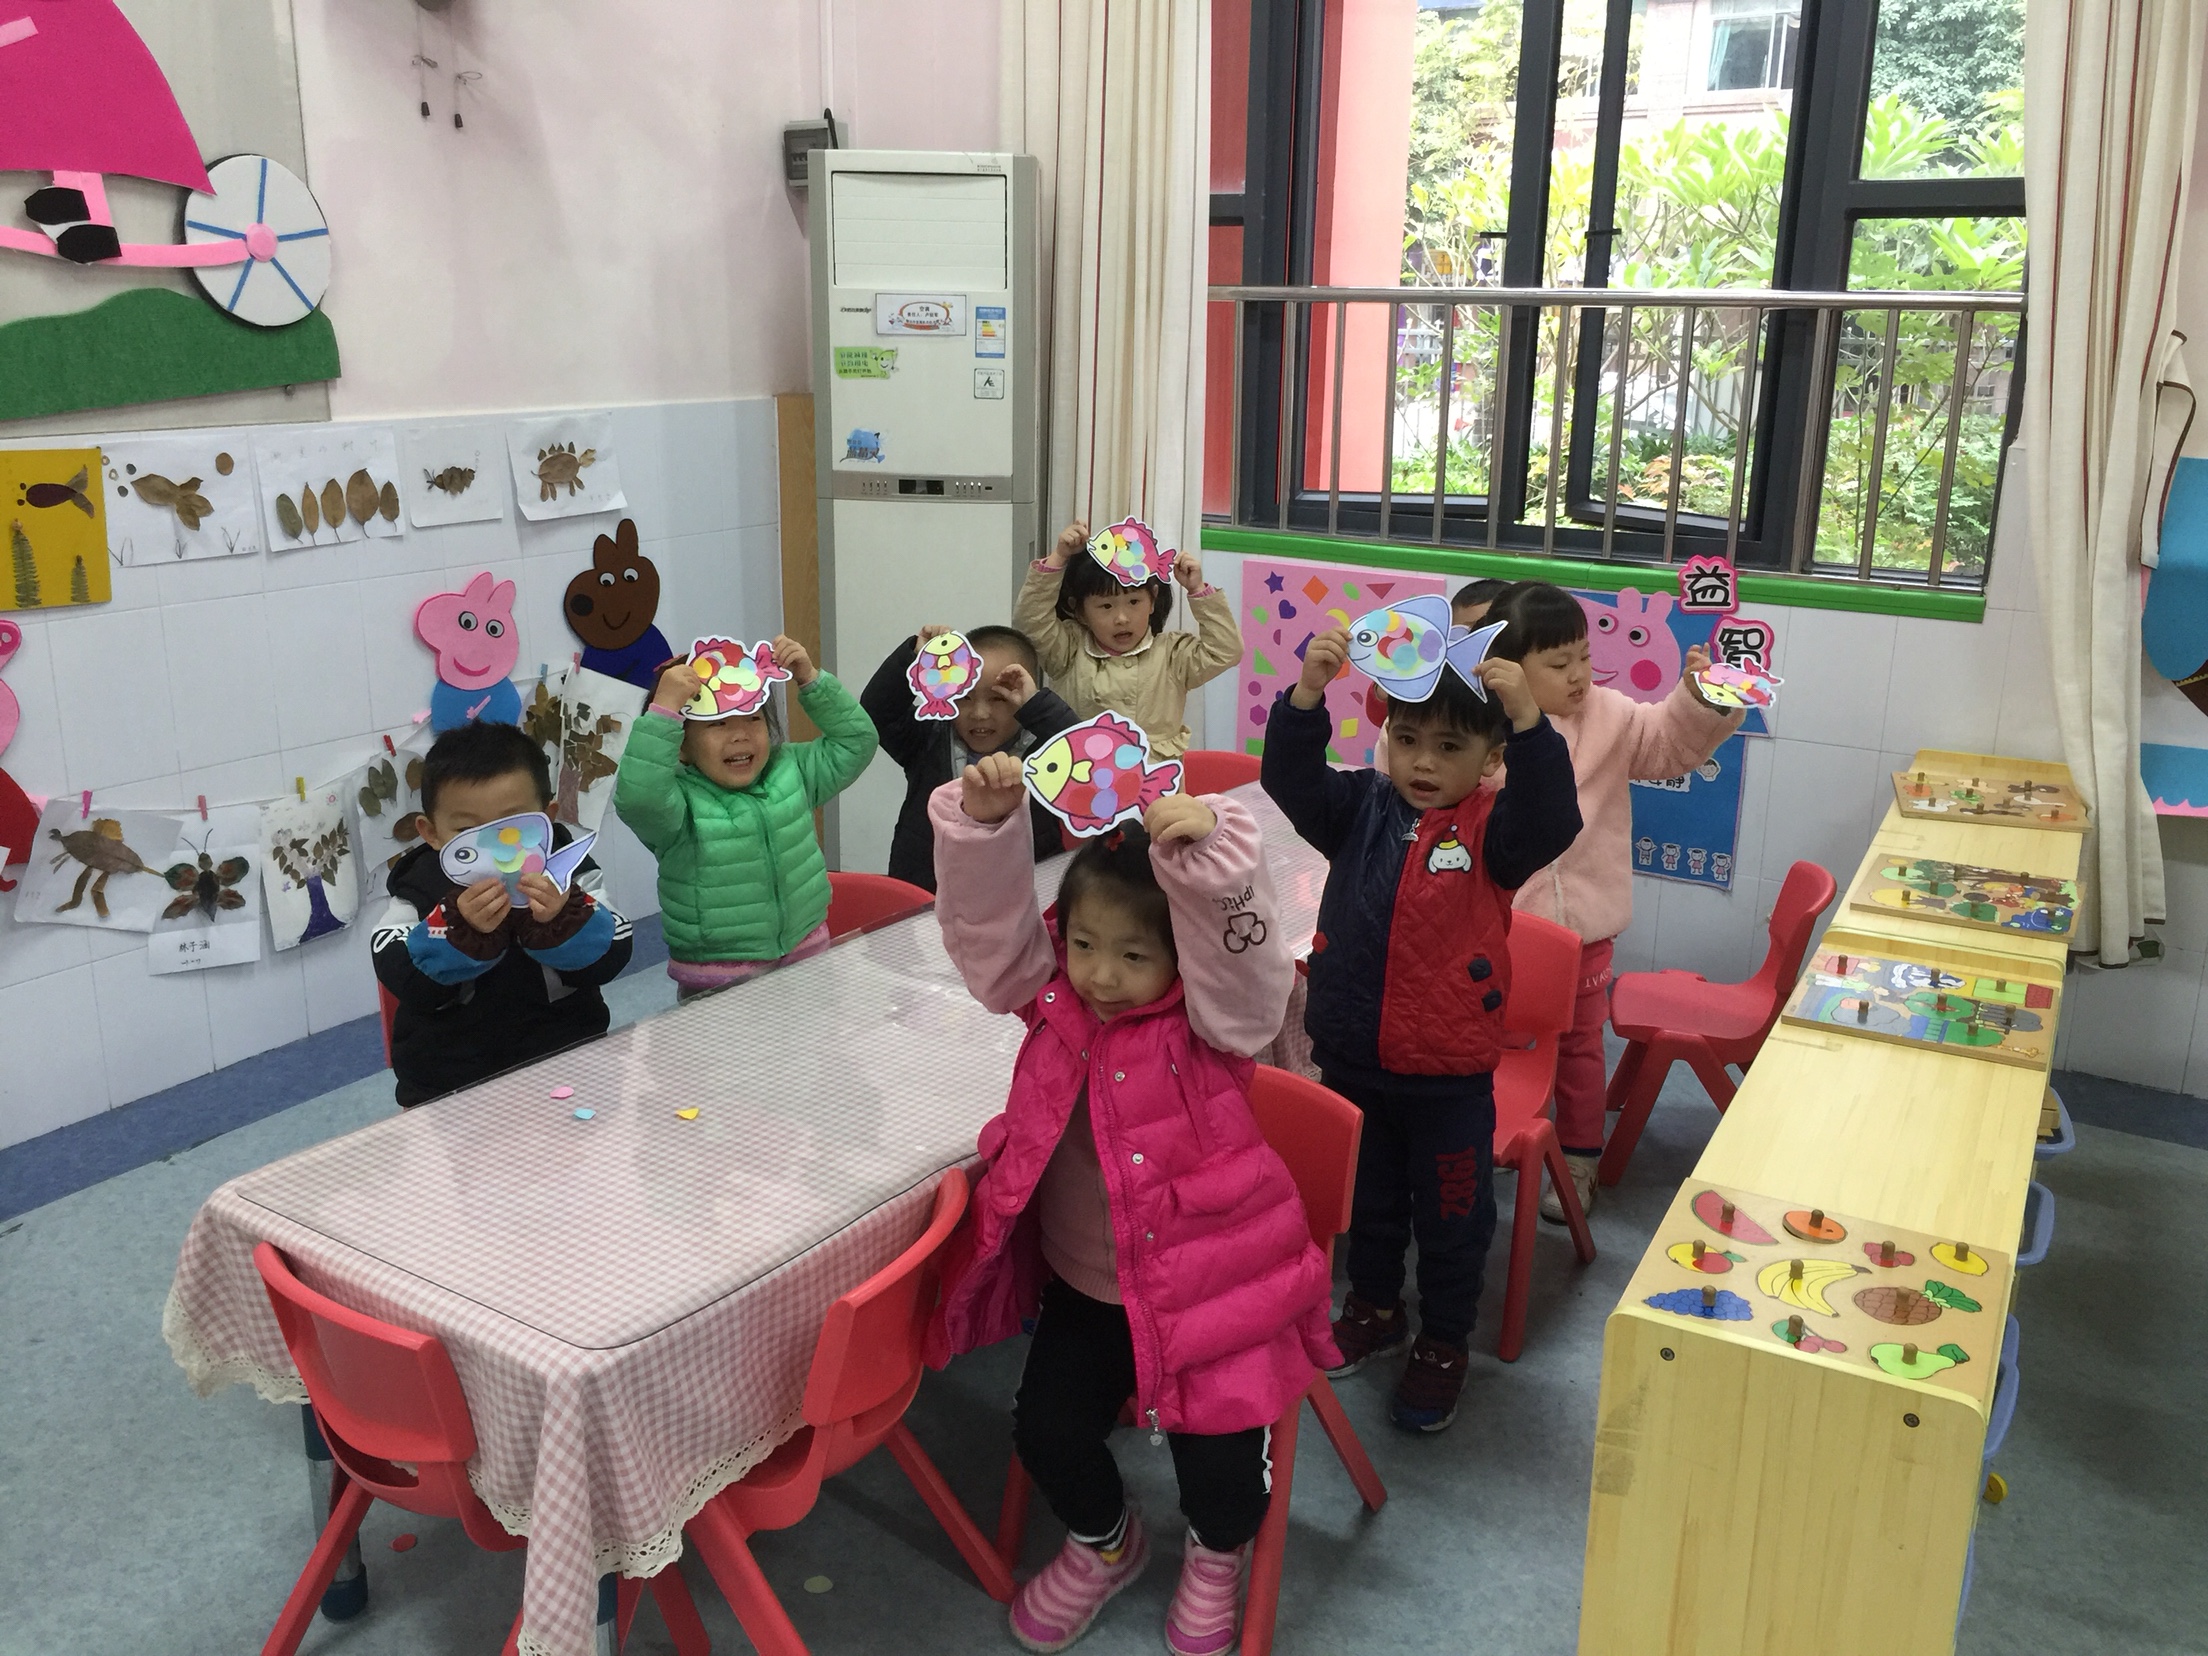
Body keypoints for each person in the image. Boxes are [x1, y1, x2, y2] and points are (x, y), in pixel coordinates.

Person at [925, 756, 1333, 1656]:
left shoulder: (1213, 1026)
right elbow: (992, 946)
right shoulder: (1052, 1005)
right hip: (1088, 1286)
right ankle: (1108, 1543)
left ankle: (1216, 1555)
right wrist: (985, 830)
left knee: (1223, 1472)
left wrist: (1215, 862)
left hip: (1215, 1292)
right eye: (1083, 945)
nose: (1101, 976)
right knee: (1045, 1433)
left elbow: (1252, 982)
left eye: (1135, 955)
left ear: (1181, 955)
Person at [1261, 625, 1581, 1431]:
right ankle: (1374, 1309)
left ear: (1489, 759)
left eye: (1448, 747)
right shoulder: (1357, 808)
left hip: (1448, 1077)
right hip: (1354, 1060)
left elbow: (1553, 818)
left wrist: (1530, 721)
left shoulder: (1495, 831)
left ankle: (1443, 1341)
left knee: (1452, 1218)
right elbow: (1288, 781)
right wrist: (1306, 696)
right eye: (1407, 740)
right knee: (1368, 1202)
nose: (1423, 763)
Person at [1482, 580, 1744, 1221]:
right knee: (1489, 1039)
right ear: (1509, 668)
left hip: (1584, 928)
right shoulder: (1482, 725)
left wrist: (1698, 700)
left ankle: (1579, 1158)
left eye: (1583, 656)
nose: (1579, 674)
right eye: (1558, 663)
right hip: (1497, 927)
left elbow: (1669, 744)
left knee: (1579, 1045)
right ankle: (1481, 1135)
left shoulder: (1610, 716)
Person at [371, 721, 632, 1108]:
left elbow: (616, 948)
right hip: (448, 1082)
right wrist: (456, 930)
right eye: (467, 830)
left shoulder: (567, 868)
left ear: (547, 817)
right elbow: (397, 969)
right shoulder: (418, 885)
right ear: (431, 833)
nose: (497, 850)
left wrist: (566, 919)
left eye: (514, 827)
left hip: (568, 1059)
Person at [612, 634, 878, 997]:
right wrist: (663, 714)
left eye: (753, 717)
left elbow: (857, 742)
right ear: (681, 747)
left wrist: (811, 680)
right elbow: (638, 799)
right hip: (718, 975)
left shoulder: (793, 770)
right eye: (718, 723)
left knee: (819, 1031)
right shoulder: (677, 804)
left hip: (807, 950)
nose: (740, 734)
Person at [859, 623, 1080, 891]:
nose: (979, 713)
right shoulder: (927, 739)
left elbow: (1085, 753)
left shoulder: (1049, 751)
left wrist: (1038, 705)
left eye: (998, 698)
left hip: (1024, 895)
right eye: (964, 696)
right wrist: (916, 657)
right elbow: (876, 714)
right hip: (929, 893)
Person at [1013, 520, 1244, 757]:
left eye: (1134, 602)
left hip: (1154, 777)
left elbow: (1226, 650)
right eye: (1106, 606)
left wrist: (1198, 590)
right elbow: (1031, 622)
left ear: (1152, 600)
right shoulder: (1068, 650)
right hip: (1083, 773)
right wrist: (1059, 557)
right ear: (1079, 610)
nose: (1122, 618)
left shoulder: (1173, 655)